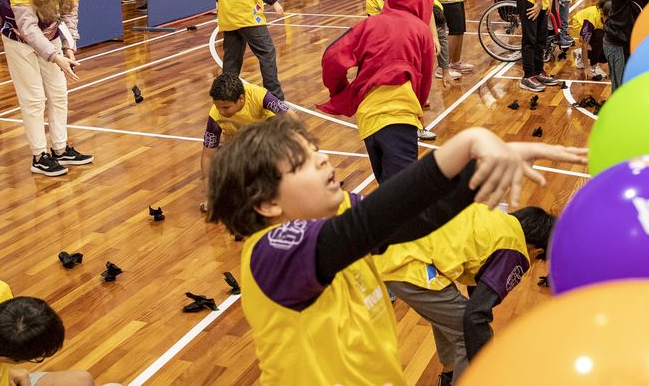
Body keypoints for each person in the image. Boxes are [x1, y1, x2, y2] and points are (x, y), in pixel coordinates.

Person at [204, 116, 582, 386]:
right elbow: (370, 222)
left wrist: (483, 171)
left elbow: (416, 220)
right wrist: (466, 145)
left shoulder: (341, 212)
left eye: (316, 149)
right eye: (302, 161)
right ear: (267, 204)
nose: (322, 158)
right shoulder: (270, 253)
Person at [375, 204, 555, 384]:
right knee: (469, 333)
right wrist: (483, 364)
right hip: (409, 267)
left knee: (449, 316)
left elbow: (478, 285)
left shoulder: (497, 219)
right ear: (537, 251)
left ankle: (450, 375)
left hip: (392, 250)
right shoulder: (516, 250)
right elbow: (475, 314)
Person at [319, 0, 436, 181]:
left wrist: (340, 90)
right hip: (398, 117)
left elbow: (331, 57)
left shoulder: (368, 24)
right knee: (402, 195)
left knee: (386, 188)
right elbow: (425, 77)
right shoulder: (421, 30)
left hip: (367, 118)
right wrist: (420, 103)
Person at [0, 0, 92, 176]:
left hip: (50, 36)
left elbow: (70, 14)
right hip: (19, 41)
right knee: (34, 99)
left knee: (59, 93)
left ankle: (60, 149)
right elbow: (28, 28)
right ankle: (39, 155)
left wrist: (69, 47)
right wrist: (55, 56)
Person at [199, 73, 289, 212]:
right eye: (218, 107)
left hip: (266, 132)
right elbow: (207, 156)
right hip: (239, 139)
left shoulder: (259, 95)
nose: (221, 111)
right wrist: (209, 197)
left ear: (241, 98)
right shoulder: (215, 116)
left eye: (226, 107)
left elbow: (290, 117)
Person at [570, 0, 611, 80]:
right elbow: (585, 44)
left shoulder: (609, 15)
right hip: (580, 24)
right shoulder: (591, 20)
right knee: (599, 35)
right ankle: (594, 66)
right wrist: (587, 67)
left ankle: (579, 54)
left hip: (597, 28)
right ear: (602, 13)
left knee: (603, 58)